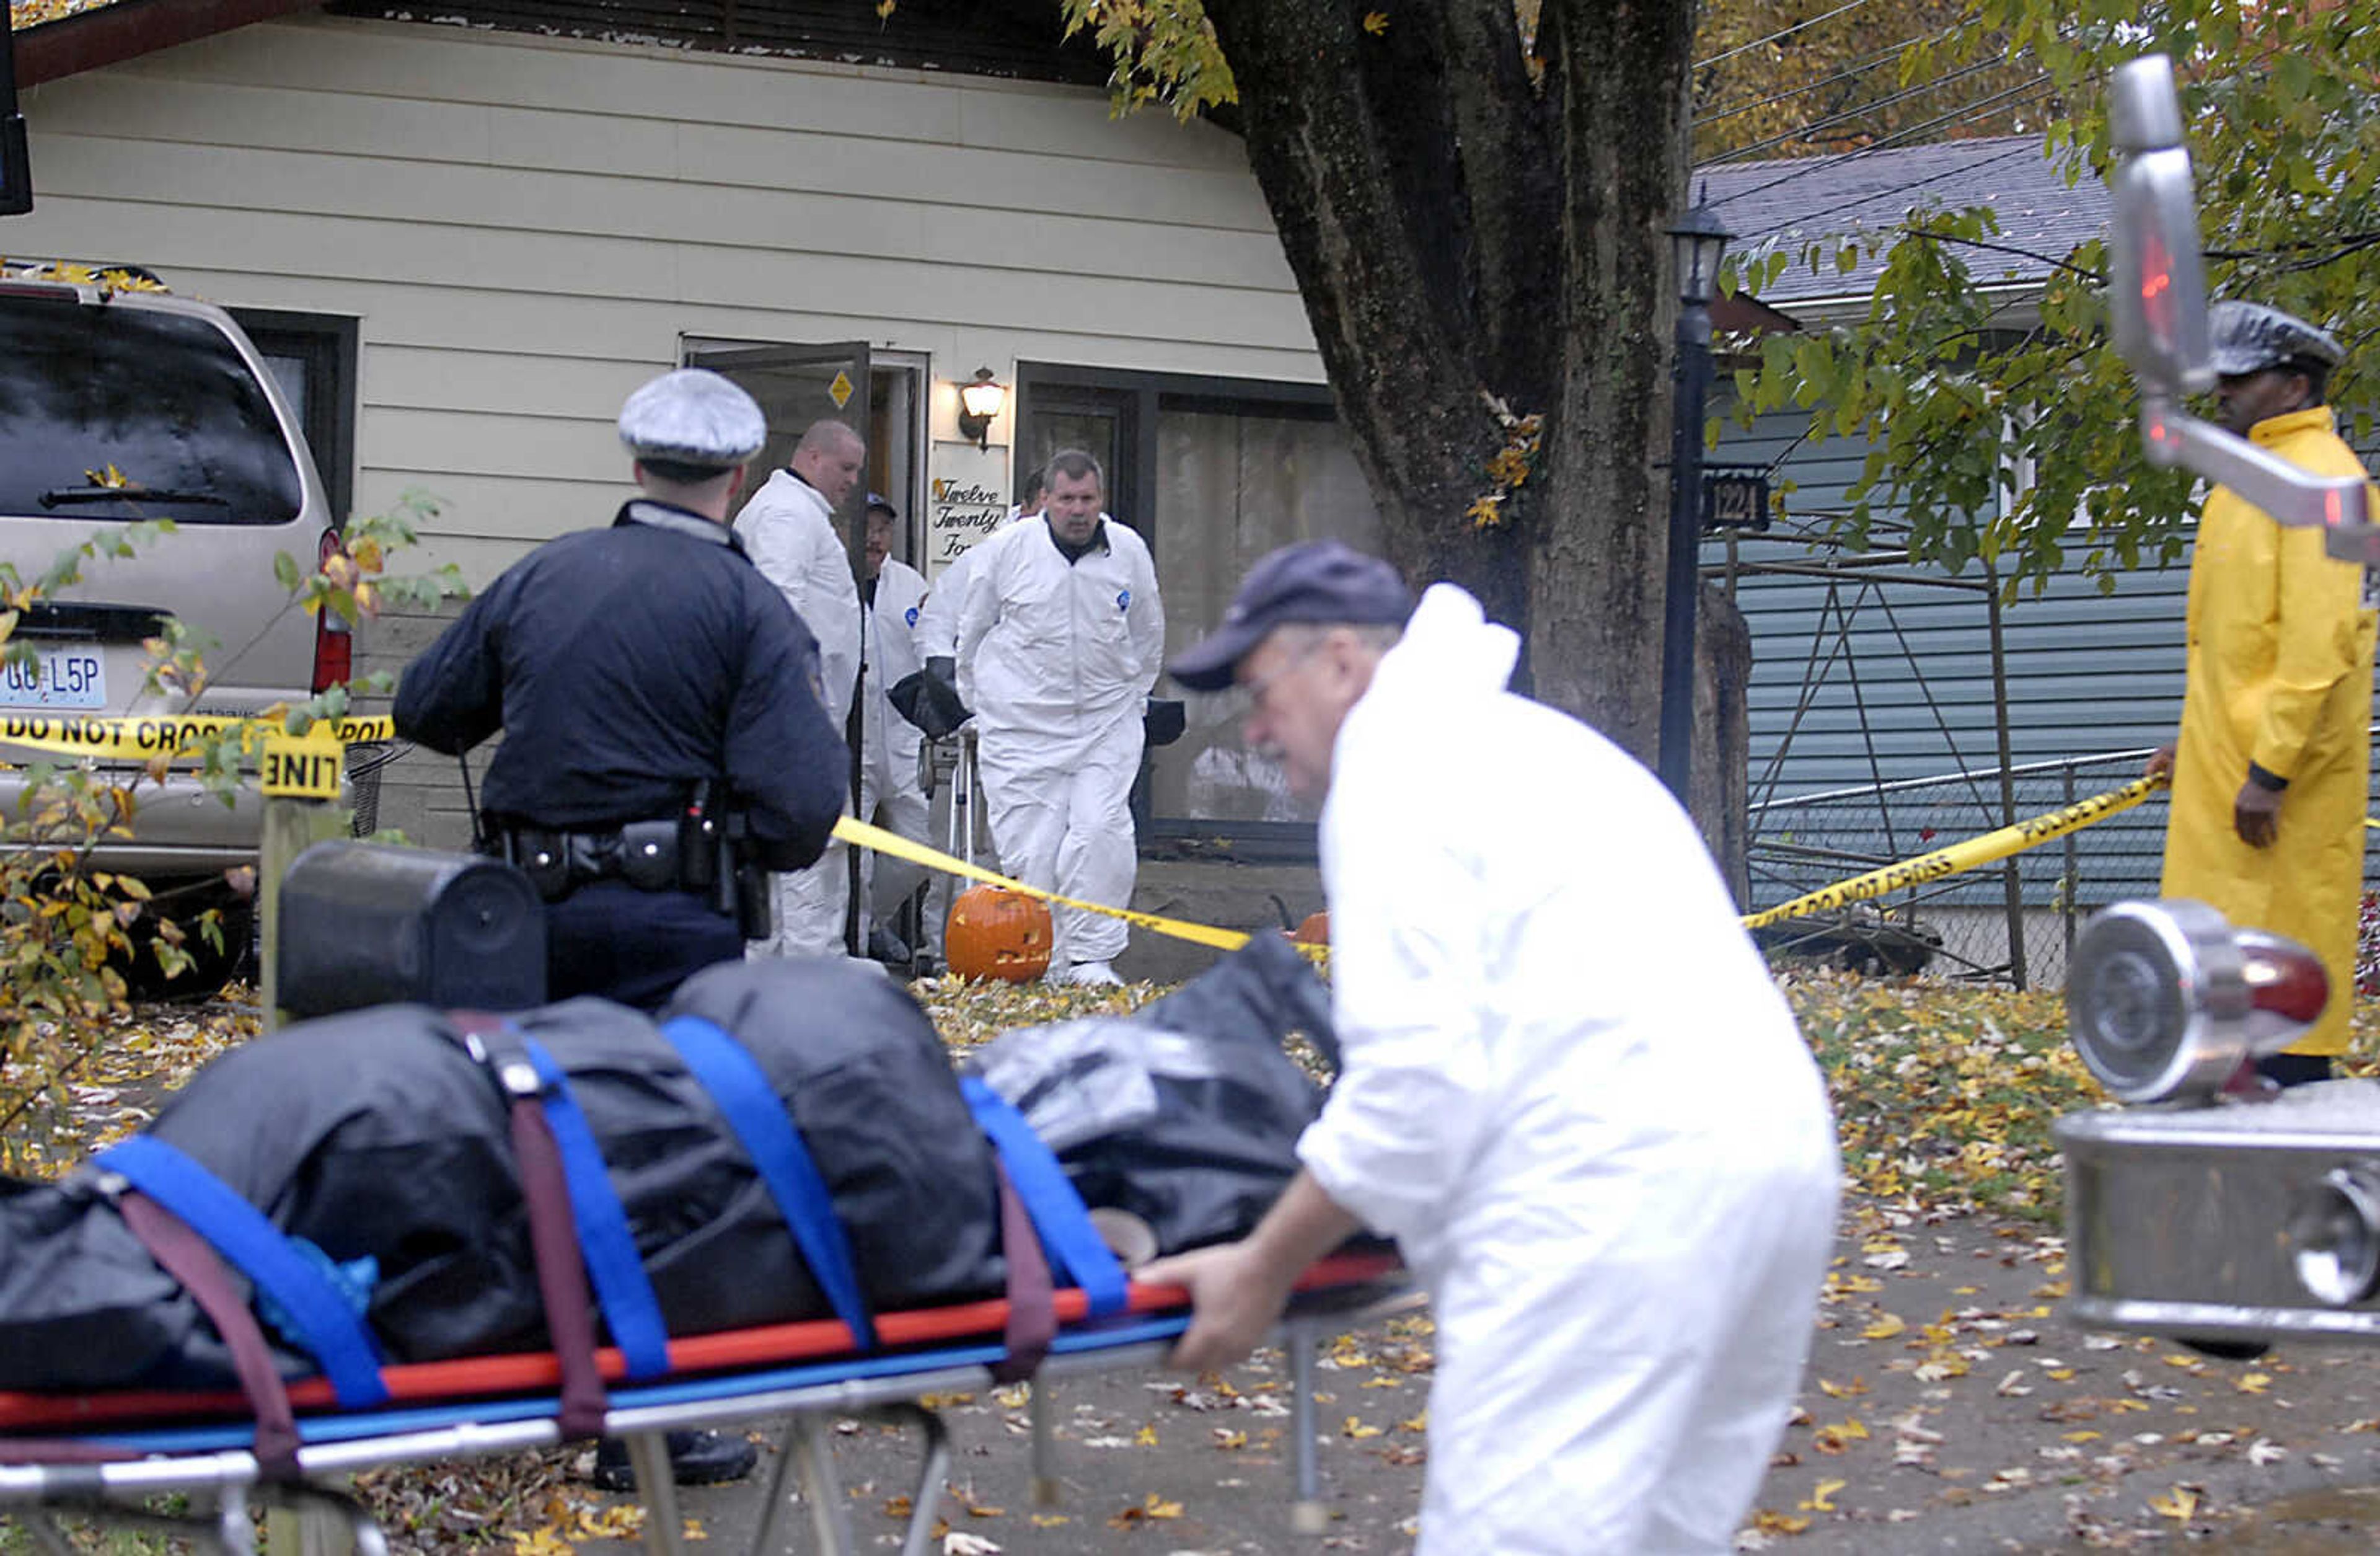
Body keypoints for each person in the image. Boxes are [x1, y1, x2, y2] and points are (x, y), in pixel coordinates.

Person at [1140, 541, 1840, 1554]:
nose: (1252, 727)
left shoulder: (1392, 771)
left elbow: (1414, 1096)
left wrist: (1262, 1267)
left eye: (1259, 688)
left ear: (1341, 662)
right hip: (1775, 1170)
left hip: (1610, 1193)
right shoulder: (1528, 744)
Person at [394, 368, 848, 1493]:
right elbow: (800, 808)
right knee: (660, 1165)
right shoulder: (749, 608)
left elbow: (426, 709)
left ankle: (514, 1385)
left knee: (538, 1140)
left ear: (634, 467)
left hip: (523, 920)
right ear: (736, 480)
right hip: (672, 922)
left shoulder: (542, 574)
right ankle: (643, 1426)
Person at [2144, 300, 2378, 1084]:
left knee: (2282, 1013)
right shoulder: (2249, 479)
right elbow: (2235, 647)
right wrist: (2197, 738)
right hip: (2229, 786)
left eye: (2240, 378)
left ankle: (2294, 1186)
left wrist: (2269, 775)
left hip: (2277, 801)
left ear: (2295, 383)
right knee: (2222, 1019)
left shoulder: (2323, 482)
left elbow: (2320, 650)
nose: (2223, 393)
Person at [952, 449, 1163, 986]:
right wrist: (979, 706)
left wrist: (1133, 696)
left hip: (1104, 720)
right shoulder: (1005, 552)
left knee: (1099, 830)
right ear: (1045, 500)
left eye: (1087, 499)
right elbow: (973, 632)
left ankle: (1091, 959)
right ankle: (1043, 962)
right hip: (1022, 724)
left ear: (1102, 500)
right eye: (1066, 499)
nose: (1077, 510)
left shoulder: (1129, 552)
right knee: (1035, 852)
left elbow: (1148, 631)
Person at [734, 418, 868, 960]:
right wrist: (798, 713)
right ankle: (809, 982)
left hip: (808, 721)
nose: (854, 480)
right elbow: (778, 611)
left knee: (816, 856)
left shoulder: (799, 515)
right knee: (810, 857)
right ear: (813, 457)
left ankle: (797, 975)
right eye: (847, 468)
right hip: (794, 722)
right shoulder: (786, 516)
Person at [856, 492, 938, 962]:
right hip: (854, 741)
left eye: (883, 529)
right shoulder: (833, 582)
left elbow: (934, 646)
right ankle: (849, 935)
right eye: (867, 527)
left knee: (921, 846)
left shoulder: (909, 586)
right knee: (853, 849)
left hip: (906, 738)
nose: (875, 538)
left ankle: (870, 922)